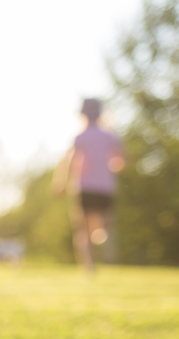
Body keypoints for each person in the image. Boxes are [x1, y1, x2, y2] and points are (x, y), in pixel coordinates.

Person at [53, 98, 125, 271]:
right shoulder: (110, 136)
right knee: (105, 223)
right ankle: (103, 237)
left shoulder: (81, 137)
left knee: (83, 230)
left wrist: (62, 183)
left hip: (84, 187)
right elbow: (121, 161)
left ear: (83, 115)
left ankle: (89, 267)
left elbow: (71, 162)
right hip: (105, 187)